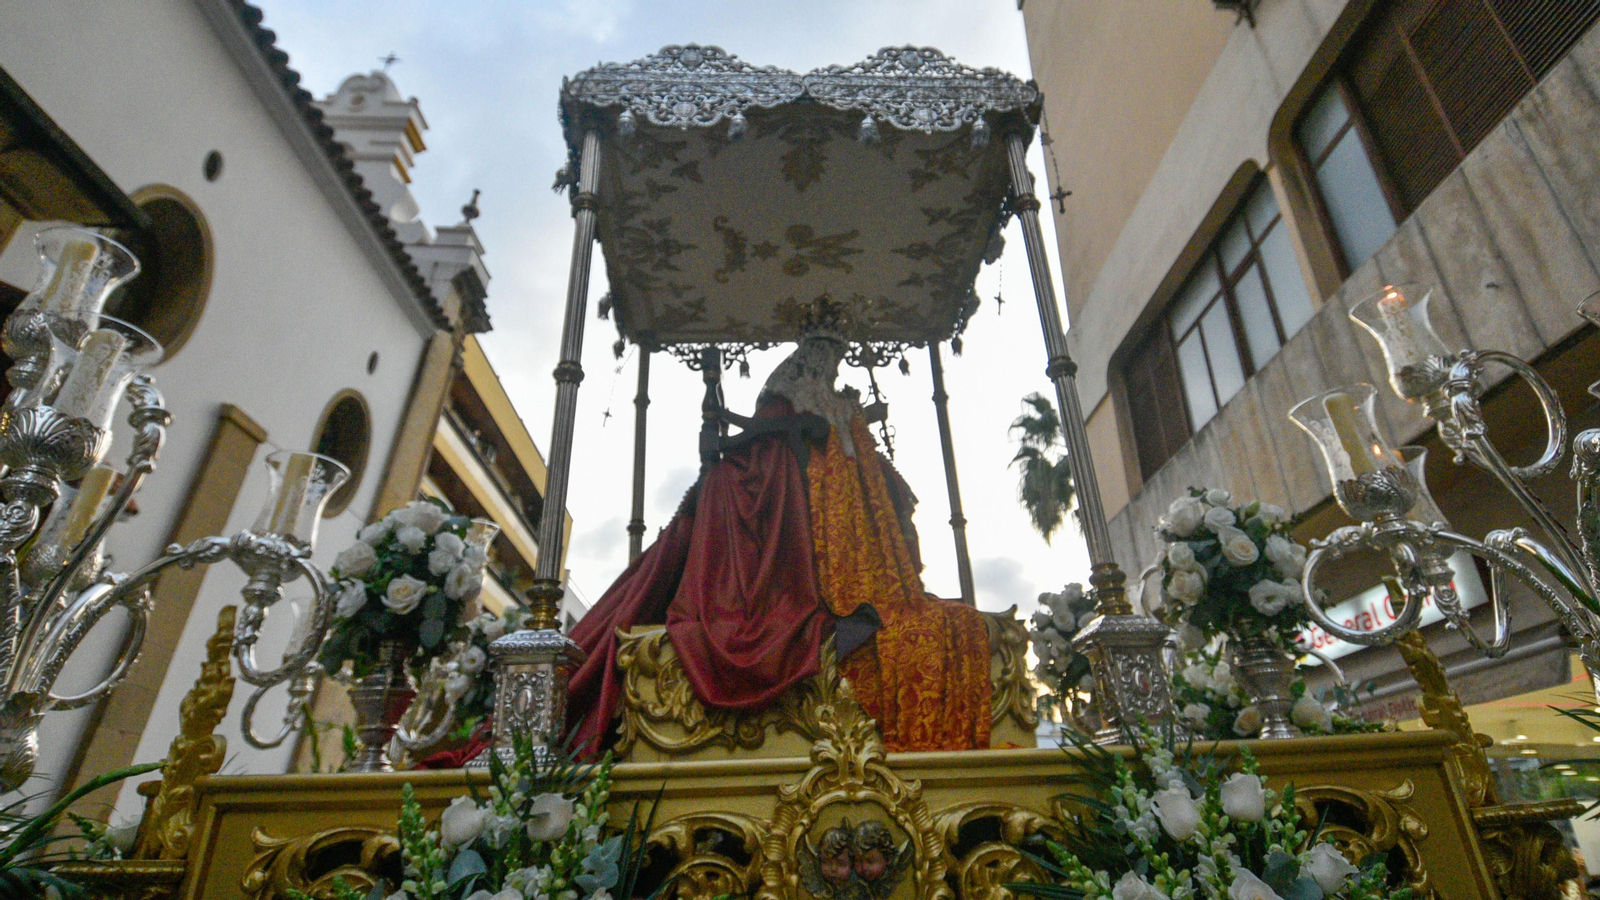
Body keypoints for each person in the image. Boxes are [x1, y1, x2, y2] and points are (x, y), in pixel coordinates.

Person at [565, 325, 993, 754]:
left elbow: (835, 435)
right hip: (783, 489)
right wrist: (817, 430)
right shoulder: (784, 397)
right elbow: (767, 431)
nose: (833, 366)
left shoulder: (826, 398)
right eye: (827, 356)